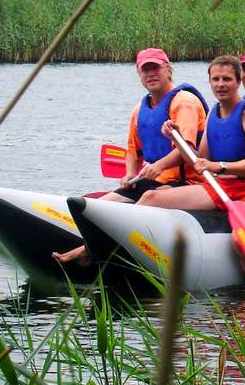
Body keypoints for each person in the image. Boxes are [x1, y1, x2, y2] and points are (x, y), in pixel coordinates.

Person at [52, 47, 208, 265]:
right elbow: (133, 151)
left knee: (148, 200)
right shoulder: (139, 109)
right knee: (102, 205)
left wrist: (160, 166)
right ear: (139, 74)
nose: (151, 74)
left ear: (168, 70)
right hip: (152, 178)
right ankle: (75, 244)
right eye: (145, 70)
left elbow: (188, 149)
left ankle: (88, 251)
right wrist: (129, 174)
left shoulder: (184, 102)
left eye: (156, 68)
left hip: (189, 180)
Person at [137, 55, 245, 287]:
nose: (221, 84)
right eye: (215, 79)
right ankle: (94, 249)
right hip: (221, 187)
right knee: (151, 197)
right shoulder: (213, 113)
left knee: (242, 242)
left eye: (227, 79)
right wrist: (175, 137)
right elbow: (199, 161)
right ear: (209, 82)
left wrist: (217, 167)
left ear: (238, 82)